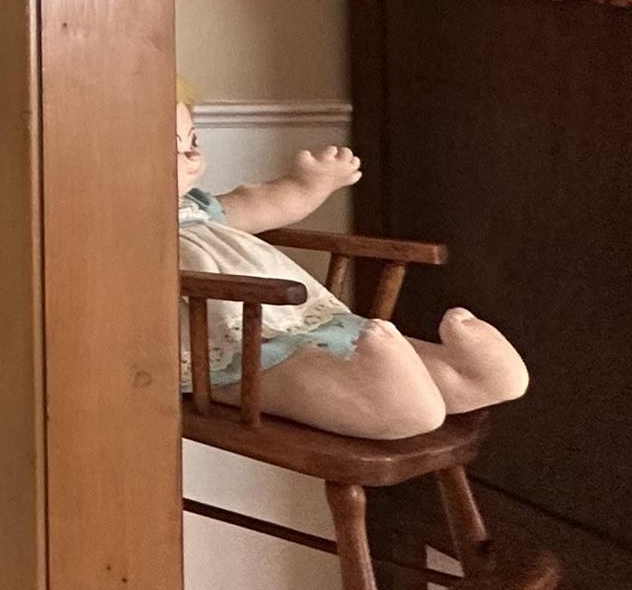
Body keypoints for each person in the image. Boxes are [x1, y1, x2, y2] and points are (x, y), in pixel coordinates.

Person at [176, 99, 526, 439]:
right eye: (173, 147)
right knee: (315, 373)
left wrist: (308, 184)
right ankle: (394, 405)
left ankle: (470, 378)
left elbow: (265, 204)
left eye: (193, 141)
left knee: (346, 344)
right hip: (235, 354)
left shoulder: (198, 208)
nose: (192, 156)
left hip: (302, 319)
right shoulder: (129, 237)